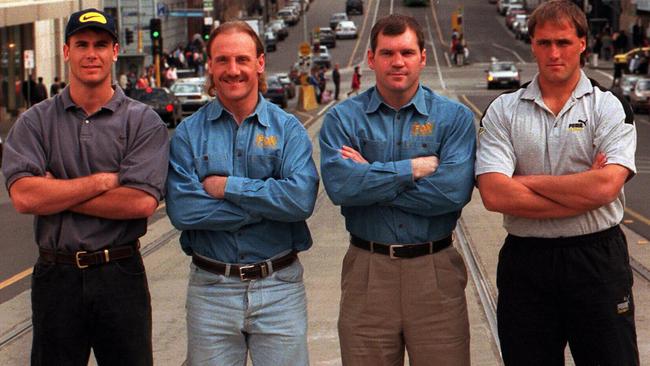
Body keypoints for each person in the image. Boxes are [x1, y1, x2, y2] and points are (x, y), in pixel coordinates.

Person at [1, 8, 169, 366]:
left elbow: (139, 203)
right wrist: (101, 182)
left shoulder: (143, 122)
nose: (91, 53)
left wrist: (56, 194)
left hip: (120, 274)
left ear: (114, 52)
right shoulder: (33, 123)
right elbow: (24, 196)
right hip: (55, 277)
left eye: (100, 44)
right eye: (81, 44)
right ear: (66, 52)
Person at [475, 1, 639, 365]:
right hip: (526, 262)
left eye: (563, 42)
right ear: (531, 44)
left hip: (597, 259)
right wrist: (584, 190)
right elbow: (494, 193)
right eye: (544, 43)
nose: (554, 53)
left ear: (583, 43)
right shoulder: (503, 110)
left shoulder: (610, 107)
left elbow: (606, 188)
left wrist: (526, 181)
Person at [319, 14, 475, 366]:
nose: (398, 62)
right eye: (387, 53)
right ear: (371, 59)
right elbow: (341, 187)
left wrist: (370, 177)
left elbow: (450, 193)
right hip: (367, 272)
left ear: (423, 56)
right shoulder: (342, 119)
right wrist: (414, 168)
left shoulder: (454, 119)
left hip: (435, 272)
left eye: (406, 52)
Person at [166, 21, 319, 366]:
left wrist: (227, 187)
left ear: (260, 63)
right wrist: (267, 205)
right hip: (211, 290)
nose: (232, 70)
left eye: (242, 59)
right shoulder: (188, 134)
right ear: (210, 65)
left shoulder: (289, 130)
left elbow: (300, 201)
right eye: (222, 60)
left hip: (279, 288)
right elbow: (183, 210)